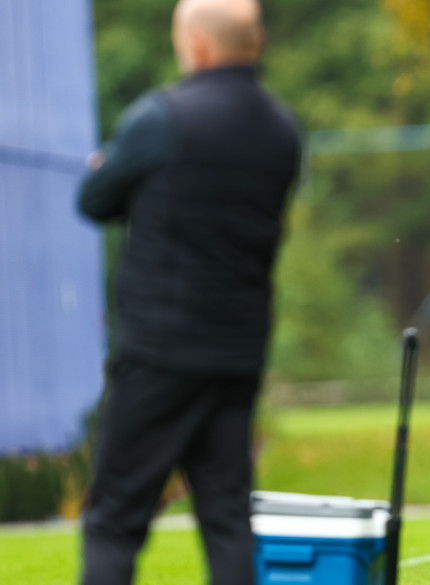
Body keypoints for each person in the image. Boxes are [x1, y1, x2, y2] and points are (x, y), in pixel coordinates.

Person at [77, 1, 301, 583]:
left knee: (113, 520)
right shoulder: (282, 131)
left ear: (197, 46)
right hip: (237, 352)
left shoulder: (162, 117)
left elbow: (94, 200)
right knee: (226, 519)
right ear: (256, 43)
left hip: (160, 351)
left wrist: (109, 165)